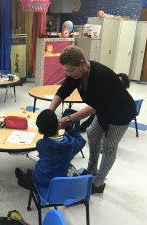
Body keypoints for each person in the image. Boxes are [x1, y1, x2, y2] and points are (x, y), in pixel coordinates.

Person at [49, 46, 136, 193]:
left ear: (82, 64)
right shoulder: (76, 74)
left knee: (108, 147)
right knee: (92, 134)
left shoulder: (101, 76)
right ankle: (91, 170)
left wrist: (68, 119)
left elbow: (95, 107)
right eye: (65, 70)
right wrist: (49, 112)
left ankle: (98, 183)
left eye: (70, 70)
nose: (67, 74)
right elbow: (63, 91)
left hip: (121, 112)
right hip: (104, 109)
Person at [15, 109, 86, 189]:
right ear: (58, 126)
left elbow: (48, 143)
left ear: (40, 132)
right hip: (60, 181)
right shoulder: (71, 144)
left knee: (33, 173)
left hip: (41, 179)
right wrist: (68, 128)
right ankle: (27, 177)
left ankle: (24, 180)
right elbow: (82, 141)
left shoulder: (41, 144)